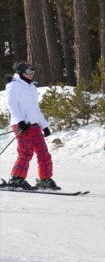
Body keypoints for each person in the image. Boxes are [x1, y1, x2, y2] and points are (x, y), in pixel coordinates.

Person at [3, 61, 60, 191]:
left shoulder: (31, 87)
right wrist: (20, 121)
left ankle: (45, 179)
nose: (31, 75)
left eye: (32, 72)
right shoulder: (13, 86)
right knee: (26, 151)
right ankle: (17, 178)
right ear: (21, 72)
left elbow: (35, 109)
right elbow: (12, 105)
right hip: (22, 125)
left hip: (34, 125)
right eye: (28, 72)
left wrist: (44, 125)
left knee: (43, 153)